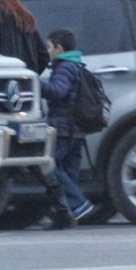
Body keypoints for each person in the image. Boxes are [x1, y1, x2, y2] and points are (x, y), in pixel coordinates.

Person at [0, 0, 74, 229]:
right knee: (33, 154)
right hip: (26, 98)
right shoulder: (24, 16)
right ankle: (62, 207)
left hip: (1, 98)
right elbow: (43, 57)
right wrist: (26, 79)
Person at [42, 29, 94, 222]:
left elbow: (58, 92)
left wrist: (35, 84)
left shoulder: (64, 67)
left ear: (59, 48)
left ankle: (79, 204)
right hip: (76, 130)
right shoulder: (76, 65)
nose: (47, 51)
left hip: (64, 128)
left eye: (48, 47)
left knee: (50, 166)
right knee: (69, 175)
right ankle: (64, 215)